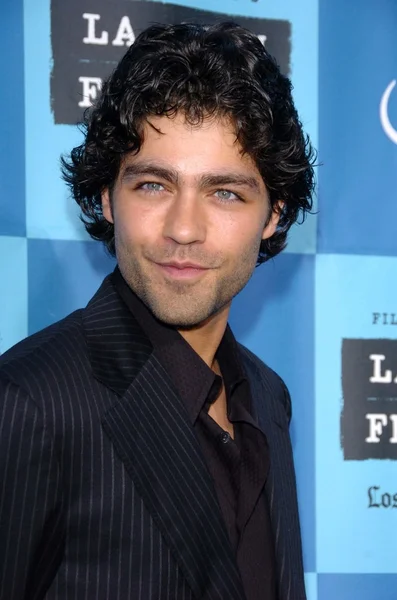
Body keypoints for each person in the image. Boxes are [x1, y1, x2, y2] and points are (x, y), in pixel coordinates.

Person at [0, 21, 315, 600]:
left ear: (274, 214)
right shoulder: (29, 403)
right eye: (152, 185)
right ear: (105, 197)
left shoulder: (269, 397)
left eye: (225, 193)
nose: (184, 229)